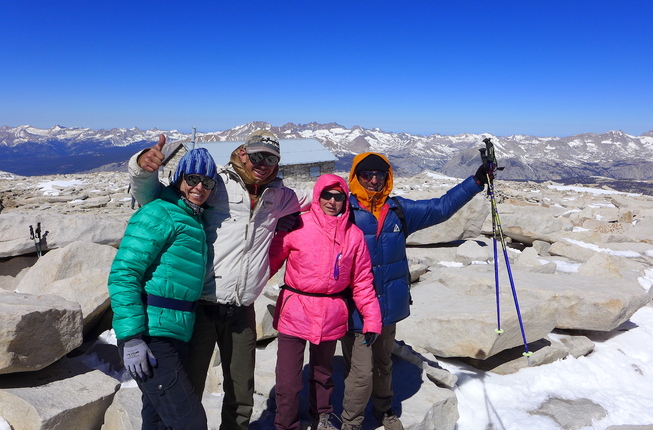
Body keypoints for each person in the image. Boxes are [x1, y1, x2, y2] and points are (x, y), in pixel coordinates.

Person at [129, 129, 312, 430]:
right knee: (189, 387)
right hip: (202, 306)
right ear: (243, 153)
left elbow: (318, 196)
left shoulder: (281, 196)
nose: (262, 162)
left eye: (270, 158)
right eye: (256, 155)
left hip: (242, 311)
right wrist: (141, 169)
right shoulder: (216, 185)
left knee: (241, 391)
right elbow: (153, 196)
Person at [340, 152, 491, 430]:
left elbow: (440, 208)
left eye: (379, 175)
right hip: (355, 310)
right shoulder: (342, 211)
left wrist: (476, 181)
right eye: (366, 175)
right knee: (360, 373)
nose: (373, 181)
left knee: (384, 364)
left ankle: (384, 410)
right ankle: (351, 423)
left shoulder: (398, 210)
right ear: (355, 177)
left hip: (387, 308)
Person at [108, 147, 218, 430]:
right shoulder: (160, 212)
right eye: (193, 178)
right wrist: (131, 337)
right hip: (150, 334)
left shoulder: (192, 218)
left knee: (157, 418)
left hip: (174, 332)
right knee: (190, 421)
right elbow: (124, 273)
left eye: (207, 182)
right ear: (179, 178)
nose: (199, 187)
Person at [269, 174, 382, 430]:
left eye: (338, 196)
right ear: (317, 197)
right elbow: (269, 264)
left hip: (331, 312)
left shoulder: (353, 235)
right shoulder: (297, 225)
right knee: (288, 381)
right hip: (295, 310)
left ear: (346, 199)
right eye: (327, 196)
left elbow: (362, 281)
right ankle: (286, 424)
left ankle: (321, 416)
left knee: (323, 375)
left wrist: (372, 319)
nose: (332, 201)